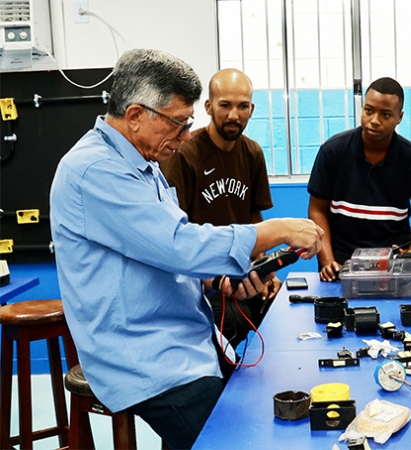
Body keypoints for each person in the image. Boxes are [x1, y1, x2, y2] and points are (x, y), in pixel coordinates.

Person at [50, 49, 324, 449]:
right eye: (178, 123)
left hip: (183, 337)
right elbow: (180, 245)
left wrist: (217, 278)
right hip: (146, 357)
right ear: (136, 115)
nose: (184, 135)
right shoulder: (96, 171)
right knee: (238, 439)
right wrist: (276, 230)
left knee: (255, 398)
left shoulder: (142, 163)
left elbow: (159, 248)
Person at [162, 68, 277, 351]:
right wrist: (211, 279)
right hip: (203, 277)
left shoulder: (252, 153)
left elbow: (253, 219)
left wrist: (264, 271)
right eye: (225, 105)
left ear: (252, 108)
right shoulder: (184, 154)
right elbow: (176, 232)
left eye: (242, 106)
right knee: (236, 322)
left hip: (242, 271)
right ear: (209, 106)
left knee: (281, 309)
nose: (234, 115)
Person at [307, 77, 411, 282]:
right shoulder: (332, 151)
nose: (375, 120)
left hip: (393, 270)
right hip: (340, 267)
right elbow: (317, 209)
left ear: (399, 117)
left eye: (385, 114)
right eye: (369, 110)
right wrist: (327, 260)